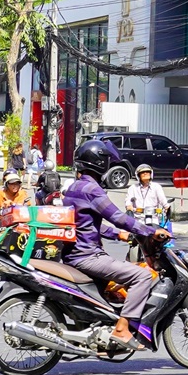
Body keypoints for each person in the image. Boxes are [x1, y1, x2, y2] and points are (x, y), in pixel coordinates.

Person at [62, 140, 160, 349]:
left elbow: (85, 225)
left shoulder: (74, 187)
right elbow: (117, 216)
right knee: (141, 276)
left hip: (73, 254)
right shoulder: (92, 190)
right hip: (87, 256)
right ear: (100, 163)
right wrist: (150, 231)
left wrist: (118, 235)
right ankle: (122, 329)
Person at [126, 164, 171, 229]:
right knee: (131, 237)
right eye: (142, 172)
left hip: (154, 219)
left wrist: (167, 207)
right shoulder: (132, 188)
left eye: (147, 172)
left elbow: (163, 200)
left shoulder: (156, 187)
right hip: (138, 219)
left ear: (151, 174)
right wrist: (129, 206)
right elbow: (128, 201)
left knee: (161, 236)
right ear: (138, 175)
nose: (145, 173)